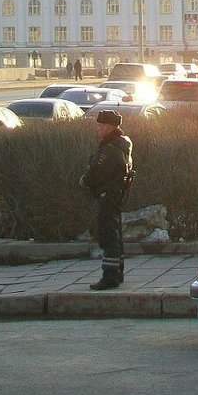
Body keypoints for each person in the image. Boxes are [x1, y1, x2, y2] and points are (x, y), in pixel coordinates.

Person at [79, 110, 133, 290]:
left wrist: (85, 182)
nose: (98, 129)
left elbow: (97, 173)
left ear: (110, 127)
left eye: (101, 126)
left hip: (108, 195)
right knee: (114, 234)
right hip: (114, 195)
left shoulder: (110, 149)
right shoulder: (122, 144)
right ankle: (117, 271)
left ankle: (110, 276)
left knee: (107, 235)